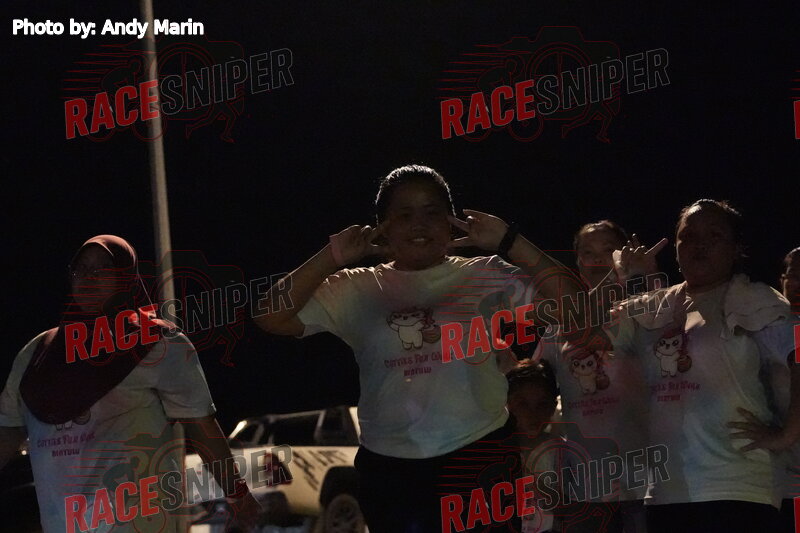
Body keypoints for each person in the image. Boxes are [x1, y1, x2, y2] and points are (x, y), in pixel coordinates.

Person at [255, 164, 595, 532]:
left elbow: (578, 308)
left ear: (451, 221)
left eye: (432, 212)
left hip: (478, 457)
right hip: (391, 469)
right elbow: (270, 316)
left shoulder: (484, 273)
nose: (419, 224)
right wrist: (331, 255)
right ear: (382, 227)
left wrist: (511, 241)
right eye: (404, 214)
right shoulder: (355, 287)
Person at [0, 235, 261, 532]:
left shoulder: (159, 343)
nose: (88, 277)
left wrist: (237, 493)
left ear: (125, 277)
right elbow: (9, 430)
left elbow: (201, 426)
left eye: (101, 269)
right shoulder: (37, 353)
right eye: (80, 269)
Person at [608, 200, 800, 533]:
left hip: (737, 487)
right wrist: (633, 277)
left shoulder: (753, 298)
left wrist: (787, 434)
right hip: (667, 491)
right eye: (689, 236)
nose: (700, 244)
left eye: (714, 235)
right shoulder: (662, 305)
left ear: (736, 249)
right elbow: (609, 338)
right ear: (676, 246)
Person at [534, 220, 664, 533]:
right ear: (578, 261)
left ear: (623, 255)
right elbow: (533, 384)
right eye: (587, 252)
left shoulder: (642, 308)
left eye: (607, 250)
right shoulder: (558, 326)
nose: (597, 260)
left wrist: (645, 276)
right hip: (585, 485)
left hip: (645, 479)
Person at [763, 246, 800, 531]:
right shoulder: (770, 326)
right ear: (782, 280)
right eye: (794, 274)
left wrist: (786, 435)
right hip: (783, 479)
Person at [506, 359, 560, 533]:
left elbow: (568, 505)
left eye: (542, 404)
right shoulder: (499, 452)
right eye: (523, 404)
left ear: (552, 406)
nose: (532, 413)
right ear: (508, 405)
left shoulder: (560, 451)